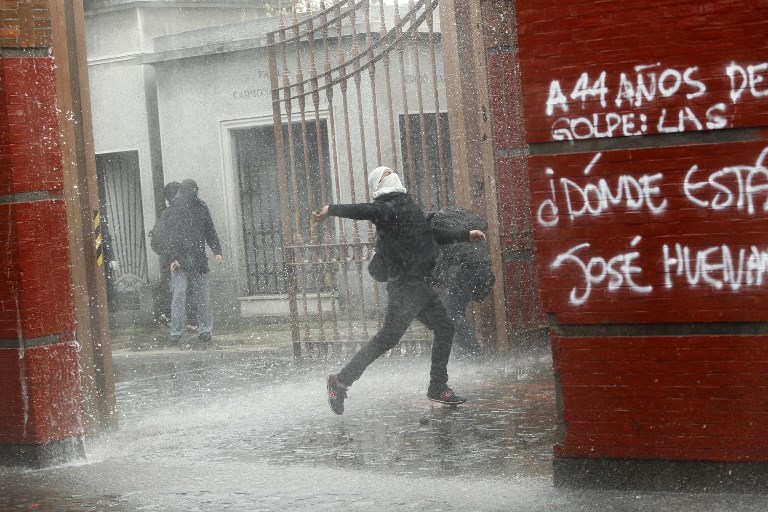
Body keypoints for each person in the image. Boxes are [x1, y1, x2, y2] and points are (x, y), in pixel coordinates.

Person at [313, 166, 487, 415]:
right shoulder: (386, 209)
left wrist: (465, 235)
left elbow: (429, 233)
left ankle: (437, 386)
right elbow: (364, 210)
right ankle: (340, 380)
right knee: (389, 338)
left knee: (443, 328)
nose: (392, 172)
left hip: (416, 285)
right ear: (379, 184)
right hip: (404, 287)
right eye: (386, 173)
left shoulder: (405, 206)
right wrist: (331, 209)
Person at [162, 179, 223, 346]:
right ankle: (180, 331)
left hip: (196, 259)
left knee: (196, 296)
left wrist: (217, 250)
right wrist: (173, 259)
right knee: (182, 295)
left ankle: (201, 330)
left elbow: (209, 230)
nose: (193, 195)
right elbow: (168, 239)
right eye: (191, 191)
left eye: (194, 191)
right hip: (183, 260)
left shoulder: (199, 208)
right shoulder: (174, 211)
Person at [429, 207, 495, 354]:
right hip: (484, 264)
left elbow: (439, 262)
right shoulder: (451, 214)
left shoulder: (431, 230)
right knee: (454, 307)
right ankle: (470, 348)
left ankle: (473, 351)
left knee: (450, 310)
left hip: (467, 268)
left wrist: (433, 281)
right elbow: (482, 224)